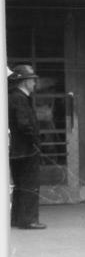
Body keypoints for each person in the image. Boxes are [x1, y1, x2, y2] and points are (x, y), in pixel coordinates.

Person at [8, 64, 46, 230]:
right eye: (32, 80)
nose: (34, 83)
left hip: (17, 150)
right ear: (24, 82)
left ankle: (17, 218)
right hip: (27, 149)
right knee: (30, 184)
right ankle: (29, 219)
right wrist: (35, 141)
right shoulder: (20, 98)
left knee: (19, 185)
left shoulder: (13, 97)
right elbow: (24, 124)